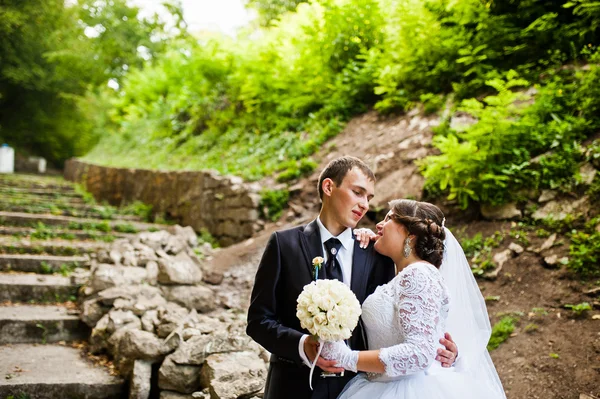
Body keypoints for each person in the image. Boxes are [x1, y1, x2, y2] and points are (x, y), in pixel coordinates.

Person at [246, 157, 459, 399]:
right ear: (328, 188)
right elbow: (258, 320)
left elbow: (409, 322)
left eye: (369, 198)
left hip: (357, 386)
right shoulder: (284, 245)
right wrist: (303, 345)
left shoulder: (378, 254)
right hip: (293, 388)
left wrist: (442, 349)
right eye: (358, 193)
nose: (365, 204)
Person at [320, 199, 506, 399]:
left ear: (410, 235)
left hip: (411, 389)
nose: (378, 225)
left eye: (389, 218)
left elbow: (419, 353)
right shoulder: (406, 275)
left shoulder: (418, 275)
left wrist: (348, 358)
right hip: (385, 385)